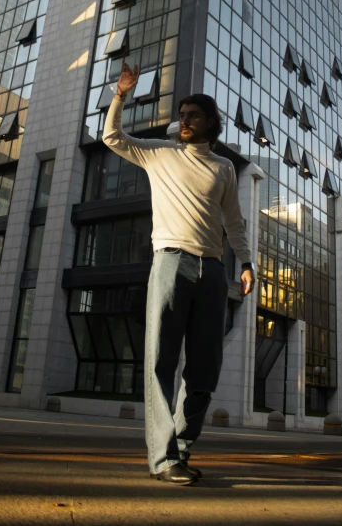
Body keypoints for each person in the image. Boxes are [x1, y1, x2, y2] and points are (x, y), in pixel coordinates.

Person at [103, 61, 255, 486]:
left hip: (212, 272)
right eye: (182, 115)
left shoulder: (223, 168)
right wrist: (121, 94)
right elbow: (112, 137)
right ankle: (162, 457)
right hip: (171, 262)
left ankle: (182, 450)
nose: (184, 121)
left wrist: (246, 264)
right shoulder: (160, 153)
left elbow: (234, 223)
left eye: (193, 116)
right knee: (160, 361)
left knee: (205, 367)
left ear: (211, 123)